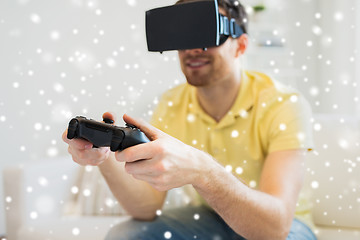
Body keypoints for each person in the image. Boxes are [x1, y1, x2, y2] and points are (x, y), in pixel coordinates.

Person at [62, 0, 317, 239]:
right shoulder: (172, 103)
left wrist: (204, 171)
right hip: (209, 216)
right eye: (184, 34)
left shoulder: (283, 104)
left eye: (206, 34)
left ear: (240, 45)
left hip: (283, 227)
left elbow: (273, 228)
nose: (193, 49)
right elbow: (146, 207)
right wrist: (103, 153)